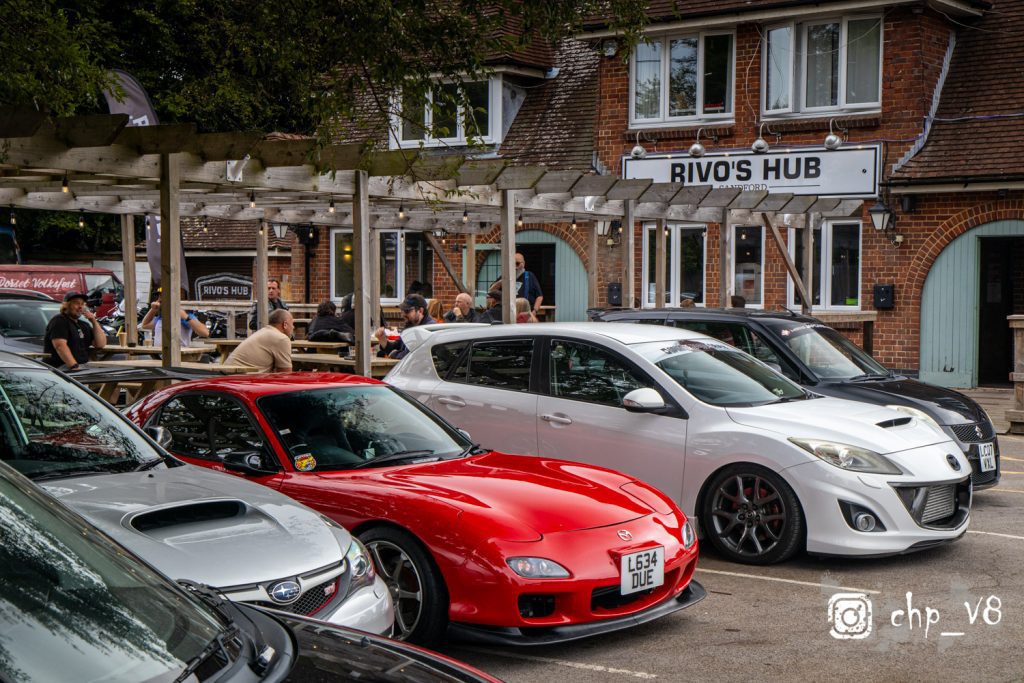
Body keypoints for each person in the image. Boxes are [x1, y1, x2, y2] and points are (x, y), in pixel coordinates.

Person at [43, 291, 106, 371]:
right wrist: (74, 366)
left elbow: (100, 344)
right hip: (61, 368)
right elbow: (60, 346)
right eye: (76, 303)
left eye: (82, 304)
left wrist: (94, 321)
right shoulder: (59, 321)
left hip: (83, 365)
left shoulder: (83, 325)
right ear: (66, 305)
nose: (80, 307)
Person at [227, 308, 294, 372]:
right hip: (239, 376)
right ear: (285, 324)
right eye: (292, 324)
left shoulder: (264, 331)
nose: (293, 327)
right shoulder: (282, 339)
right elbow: (285, 374)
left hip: (227, 373)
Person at [373, 294, 435, 359]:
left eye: (407, 311)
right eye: (402, 310)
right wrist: (383, 340)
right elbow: (397, 346)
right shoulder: (410, 325)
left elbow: (412, 355)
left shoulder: (428, 329)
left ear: (420, 311)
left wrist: (395, 354)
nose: (403, 314)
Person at [141, 289, 210, 346]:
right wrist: (153, 310)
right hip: (160, 355)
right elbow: (144, 325)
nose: (159, 299)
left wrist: (186, 317)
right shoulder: (162, 317)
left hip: (179, 356)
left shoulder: (185, 316)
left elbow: (205, 333)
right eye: (159, 296)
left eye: (162, 296)